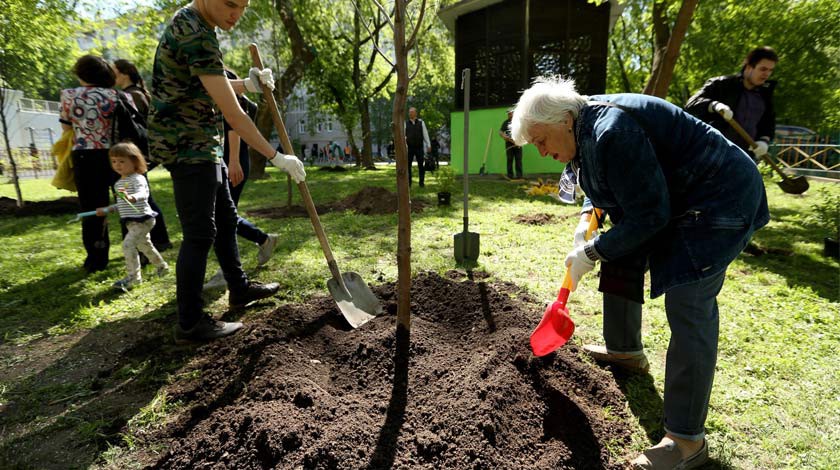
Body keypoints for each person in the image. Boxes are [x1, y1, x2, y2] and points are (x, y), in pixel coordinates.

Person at [510, 76, 769, 470]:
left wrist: (593, 250)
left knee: (689, 300)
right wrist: (588, 220)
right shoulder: (581, 125)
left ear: (562, 120)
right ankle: (625, 350)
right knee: (621, 253)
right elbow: (602, 181)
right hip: (678, 197)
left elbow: (651, 216)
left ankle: (686, 441)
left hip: (719, 198)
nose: (542, 152)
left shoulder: (613, 131)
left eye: (541, 141)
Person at [147, 0, 306, 342]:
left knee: (226, 218)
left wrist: (247, 86)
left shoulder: (199, 25)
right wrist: (276, 157)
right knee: (200, 233)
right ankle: (190, 323)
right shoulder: (195, 32)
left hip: (202, 141)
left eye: (243, 7)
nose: (237, 14)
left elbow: (205, 85)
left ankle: (239, 287)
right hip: (186, 143)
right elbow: (234, 116)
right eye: (230, 4)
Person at [203, 70, 279, 290]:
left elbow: (233, 126)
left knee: (223, 217)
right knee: (223, 216)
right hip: (226, 158)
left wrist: (234, 160)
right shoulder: (214, 74)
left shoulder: (219, 76)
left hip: (232, 158)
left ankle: (228, 272)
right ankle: (263, 240)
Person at [60, 54, 124, 273]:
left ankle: (96, 259)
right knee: (129, 204)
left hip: (85, 157)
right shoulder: (119, 96)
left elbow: (67, 129)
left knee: (92, 210)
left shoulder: (69, 95)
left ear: (81, 73)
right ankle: (139, 251)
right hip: (120, 156)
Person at [112, 58, 173, 254]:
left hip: (135, 153)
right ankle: (159, 240)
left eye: (115, 71)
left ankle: (158, 239)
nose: (112, 76)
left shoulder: (133, 96)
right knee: (145, 194)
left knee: (143, 196)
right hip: (137, 152)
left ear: (124, 73)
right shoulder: (137, 94)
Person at [96, 142, 169, 291]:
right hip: (131, 221)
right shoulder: (119, 184)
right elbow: (122, 204)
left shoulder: (138, 179)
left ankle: (134, 278)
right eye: (114, 161)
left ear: (135, 161)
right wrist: (108, 209)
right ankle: (162, 267)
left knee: (128, 245)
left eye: (122, 161)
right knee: (145, 246)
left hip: (143, 219)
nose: (117, 165)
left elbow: (143, 194)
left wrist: (133, 197)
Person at [685, 47, 778, 162]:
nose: (767, 74)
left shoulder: (765, 96)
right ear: (749, 67)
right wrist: (714, 105)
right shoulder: (721, 84)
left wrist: (764, 141)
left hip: (742, 159)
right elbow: (691, 104)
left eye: (770, 70)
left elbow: (768, 124)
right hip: (710, 152)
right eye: (763, 69)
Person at [405, 107, 431, 187]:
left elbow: (425, 134)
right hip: (409, 148)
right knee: (408, 166)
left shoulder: (421, 122)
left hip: (419, 147)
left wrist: (428, 145)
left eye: (412, 112)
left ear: (416, 113)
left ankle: (421, 183)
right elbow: (403, 136)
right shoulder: (405, 123)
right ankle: (409, 183)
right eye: (409, 112)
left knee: (421, 166)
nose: (411, 114)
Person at [499, 109, 523, 179]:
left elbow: (522, 132)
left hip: (518, 144)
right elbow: (501, 131)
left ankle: (519, 176)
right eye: (509, 114)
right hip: (509, 144)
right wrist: (503, 135)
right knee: (509, 159)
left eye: (511, 113)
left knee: (518, 159)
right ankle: (510, 175)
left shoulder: (518, 122)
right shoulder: (505, 123)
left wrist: (519, 142)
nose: (510, 115)